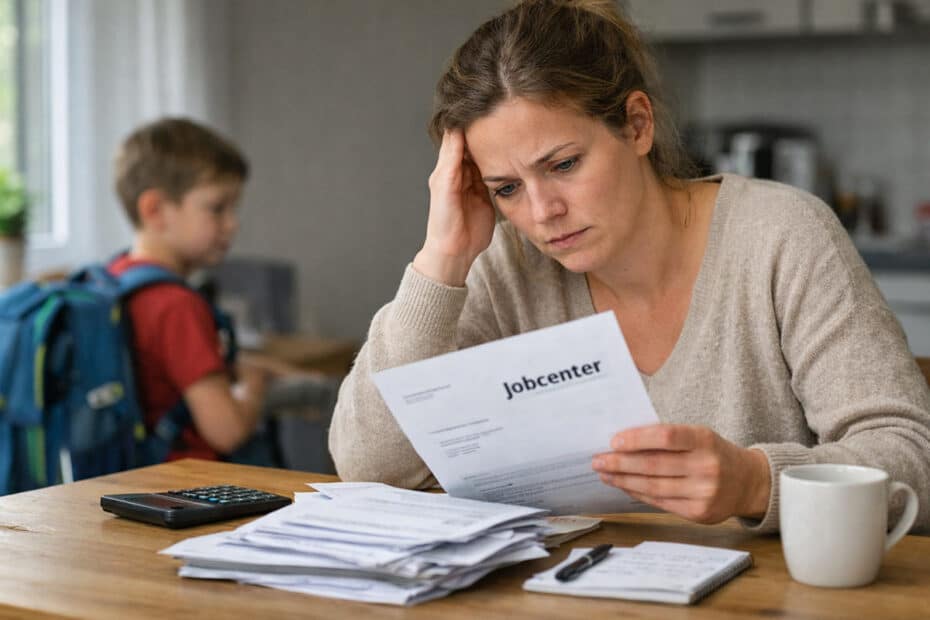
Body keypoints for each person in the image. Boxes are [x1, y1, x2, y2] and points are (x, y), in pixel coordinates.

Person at [328, 0, 930, 533]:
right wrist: (442, 260)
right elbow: (367, 466)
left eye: (563, 164)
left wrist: (754, 482)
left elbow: (912, 463)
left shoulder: (781, 236)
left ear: (637, 125)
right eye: (507, 188)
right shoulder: (506, 265)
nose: (542, 212)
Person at [110, 117, 327, 463]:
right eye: (217, 208)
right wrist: (254, 383)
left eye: (233, 209)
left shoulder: (117, 279)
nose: (232, 224)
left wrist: (256, 366)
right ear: (155, 210)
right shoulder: (176, 305)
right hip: (188, 485)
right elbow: (227, 431)